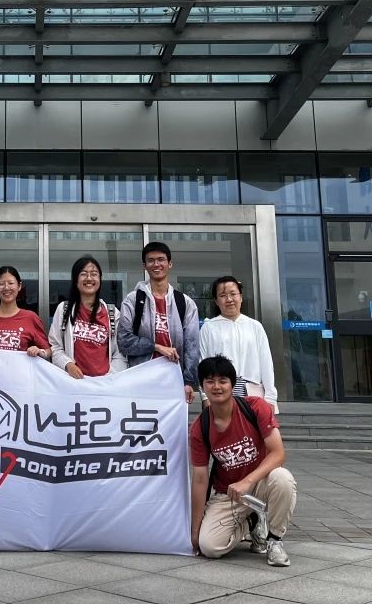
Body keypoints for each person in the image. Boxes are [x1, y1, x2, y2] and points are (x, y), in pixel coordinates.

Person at [189, 355, 296, 567]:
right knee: (209, 547)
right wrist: (195, 530)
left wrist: (247, 481)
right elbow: (200, 479)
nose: (216, 387)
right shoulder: (200, 427)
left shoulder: (255, 407)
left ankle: (274, 540)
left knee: (283, 478)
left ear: (233, 384)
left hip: (261, 483)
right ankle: (252, 521)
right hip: (229, 493)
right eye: (210, 381)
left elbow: (278, 453)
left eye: (223, 381)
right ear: (202, 386)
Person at [117, 241, 201, 403]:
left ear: (170, 263)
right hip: (140, 379)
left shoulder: (185, 303)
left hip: (173, 379)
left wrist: (189, 381)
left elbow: (192, 346)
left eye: (161, 259)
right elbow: (124, 341)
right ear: (144, 266)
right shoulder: (133, 300)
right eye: (151, 260)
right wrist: (156, 347)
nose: (156, 264)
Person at [198, 275, 279, 413]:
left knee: (251, 426)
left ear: (240, 297)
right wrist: (205, 397)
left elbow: (266, 363)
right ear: (216, 301)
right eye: (223, 295)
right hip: (220, 390)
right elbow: (202, 363)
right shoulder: (209, 327)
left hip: (253, 392)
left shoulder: (255, 326)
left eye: (233, 294)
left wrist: (270, 398)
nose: (229, 299)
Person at [49, 255, 127, 378]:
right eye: (83, 274)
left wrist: (110, 376)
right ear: (76, 280)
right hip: (73, 382)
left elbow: (120, 353)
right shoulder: (64, 310)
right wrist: (68, 364)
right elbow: (54, 346)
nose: (89, 278)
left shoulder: (112, 313)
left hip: (104, 383)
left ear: (100, 279)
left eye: (94, 274)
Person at [0, 265, 51, 359]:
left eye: (11, 283)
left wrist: (39, 352)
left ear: (19, 286)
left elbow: (48, 351)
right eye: (1, 284)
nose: (6, 288)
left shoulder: (31, 318)